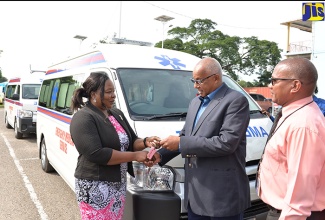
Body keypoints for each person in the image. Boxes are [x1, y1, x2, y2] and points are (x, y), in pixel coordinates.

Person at [147, 57, 251, 220]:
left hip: (222, 196)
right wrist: (161, 154)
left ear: (215, 78)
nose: (195, 86)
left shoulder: (235, 101)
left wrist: (181, 143)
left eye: (199, 81)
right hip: (195, 195)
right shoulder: (195, 102)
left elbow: (226, 143)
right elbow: (186, 135)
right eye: (193, 81)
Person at [70, 72, 161, 220]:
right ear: (93, 94)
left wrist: (145, 142)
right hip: (94, 187)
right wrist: (136, 156)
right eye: (108, 92)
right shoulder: (83, 117)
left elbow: (131, 141)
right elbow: (97, 153)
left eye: (113, 91)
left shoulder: (116, 114)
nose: (113, 95)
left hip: (117, 185)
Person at [257, 57, 325, 220]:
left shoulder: (303, 125)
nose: (270, 86)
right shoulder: (295, 113)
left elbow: (299, 201)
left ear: (295, 85)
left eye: (274, 81)